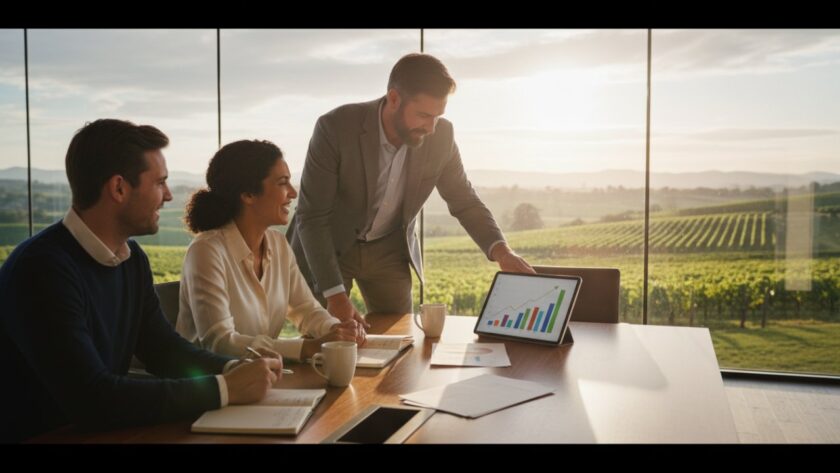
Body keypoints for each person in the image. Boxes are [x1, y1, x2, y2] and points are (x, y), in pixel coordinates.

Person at [0, 119, 281, 443]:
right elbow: (91, 398)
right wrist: (224, 388)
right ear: (119, 188)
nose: (168, 196)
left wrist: (232, 368)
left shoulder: (131, 258)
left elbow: (164, 351)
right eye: (160, 183)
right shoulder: (41, 270)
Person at [288, 52, 535, 326]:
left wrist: (502, 252)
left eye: (437, 117)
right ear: (393, 99)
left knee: (398, 336)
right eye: (423, 115)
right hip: (329, 244)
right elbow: (312, 217)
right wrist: (334, 296)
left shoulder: (441, 136)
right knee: (326, 338)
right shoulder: (335, 127)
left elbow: (464, 200)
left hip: (389, 248)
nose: (430, 128)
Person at [176, 139, 362, 361]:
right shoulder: (206, 251)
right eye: (283, 183)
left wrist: (336, 330)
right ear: (248, 195)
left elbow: (306, 310)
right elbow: (220, 343)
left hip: (263, 378)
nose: (293, 193)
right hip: (213, 385)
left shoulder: (278, 244)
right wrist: (307, 348)